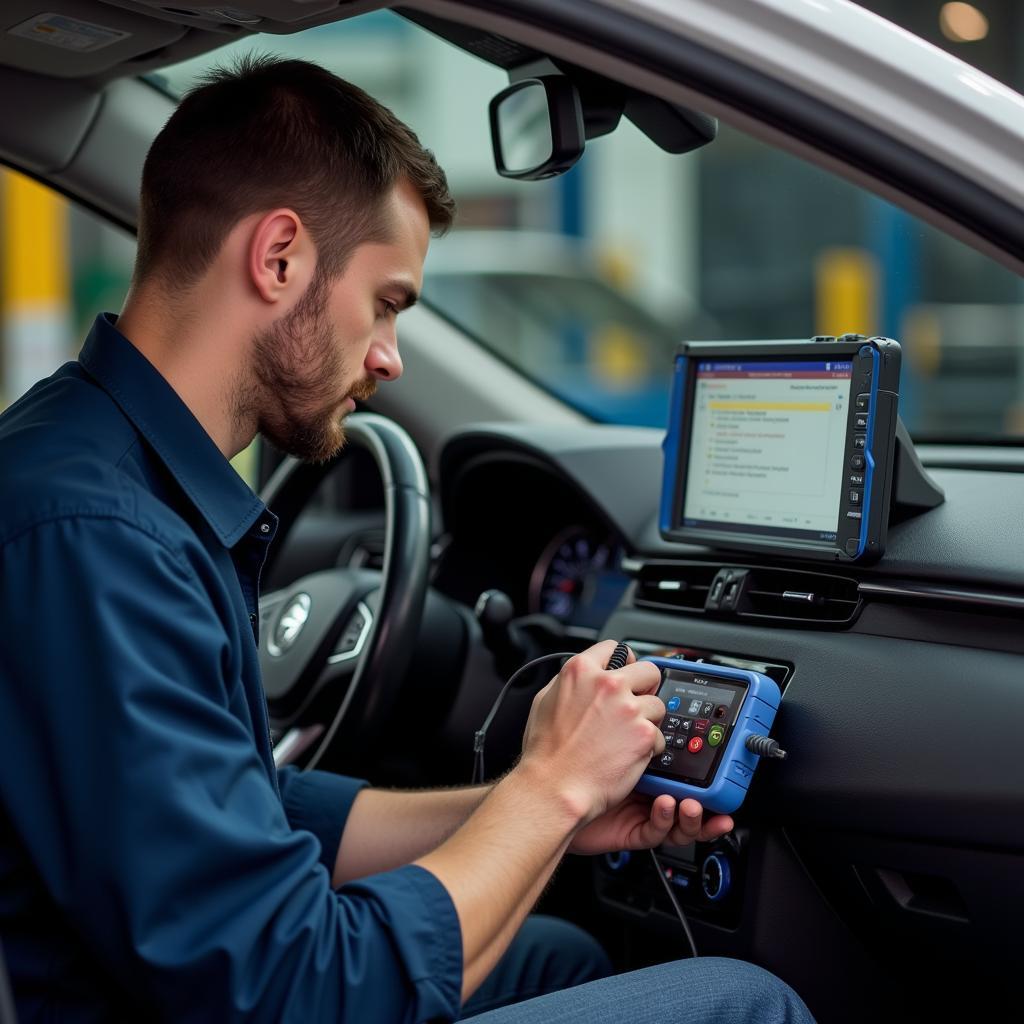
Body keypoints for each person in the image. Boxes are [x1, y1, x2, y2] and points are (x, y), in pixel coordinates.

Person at [0, 55, 814, 1024]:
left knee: (558, 956)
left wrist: (542, 809)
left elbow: (257, 809)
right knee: (739, 1003)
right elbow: (300, 989)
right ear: (279, 258)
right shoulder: (98, 539)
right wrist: (550, 787)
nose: (389, 355)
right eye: (386, 302)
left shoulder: (90, 462)